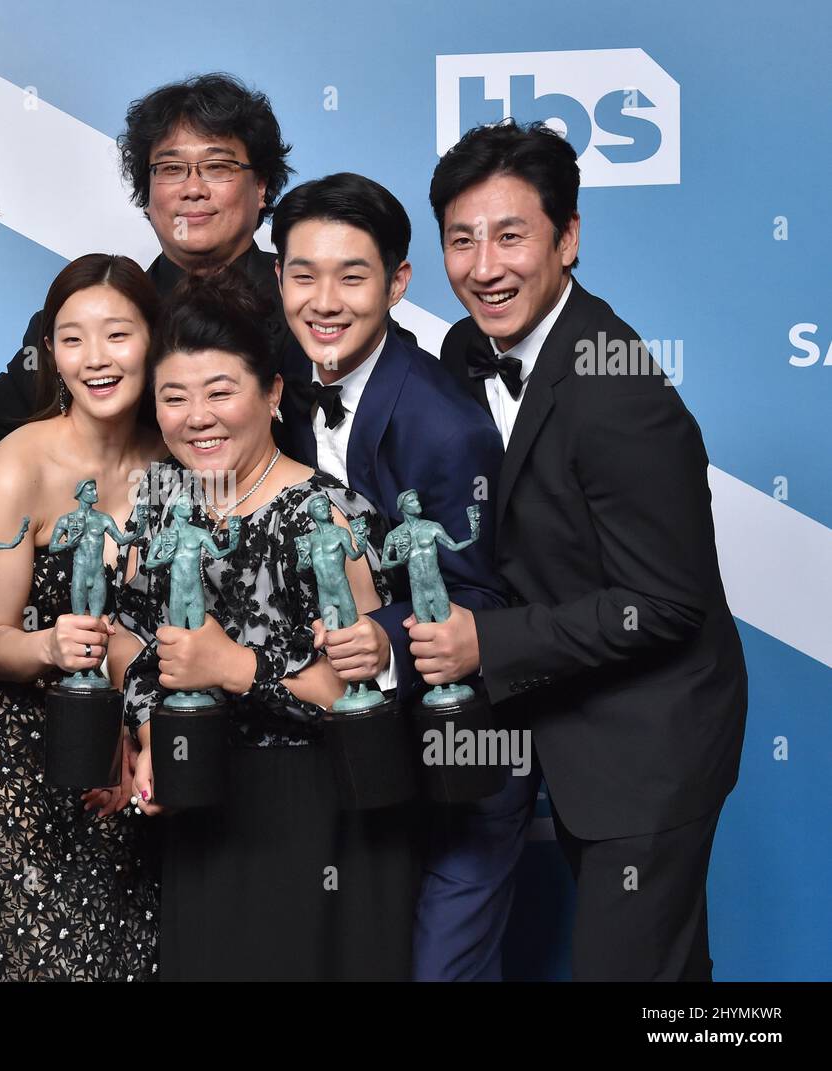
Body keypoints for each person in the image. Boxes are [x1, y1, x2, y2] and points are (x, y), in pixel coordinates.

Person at [420, 119, 747, 981]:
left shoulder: (618, 388)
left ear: (568, 239)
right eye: (462, 239)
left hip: (652, 738)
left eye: (512, 234)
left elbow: (668, 604)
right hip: (556, 723)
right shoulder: (464, 353)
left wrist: (487, 643)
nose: (484, 266)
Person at [113, 271, 421, 981]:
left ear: (274, 394)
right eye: (173, 396)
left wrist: (232, 668)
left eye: (220, 391)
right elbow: (124, 633)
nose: (197, 416)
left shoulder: (328, 515)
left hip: (323, 815)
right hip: (204, 808)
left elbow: (361, 698)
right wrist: (149, 720)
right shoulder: (161, 501)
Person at [270, 172, 519, 981]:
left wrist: (376, 647)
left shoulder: (447, 427)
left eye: (352, 275)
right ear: (278, 280)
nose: (324, 300)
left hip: (461, 755)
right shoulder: (287, 385)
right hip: (351, 757)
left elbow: (483, 595)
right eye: (303, 274)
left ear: (398, 282)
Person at [0, 254, 163, 981]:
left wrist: (144, 727)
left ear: (154, 340)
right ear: (50, 352)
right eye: (73, 338)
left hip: (123, 759)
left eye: (118, 334)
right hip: (10, 764)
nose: (96, 359)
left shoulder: (180, 462)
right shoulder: (15, 464)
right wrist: (51, 643)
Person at [0, 73, 420, 456]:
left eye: (217, 166)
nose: (193, 189)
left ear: (262, 187)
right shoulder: (87, 315)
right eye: (171, 169)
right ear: (147, 193)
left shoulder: (316, 306)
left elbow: (404, 415)